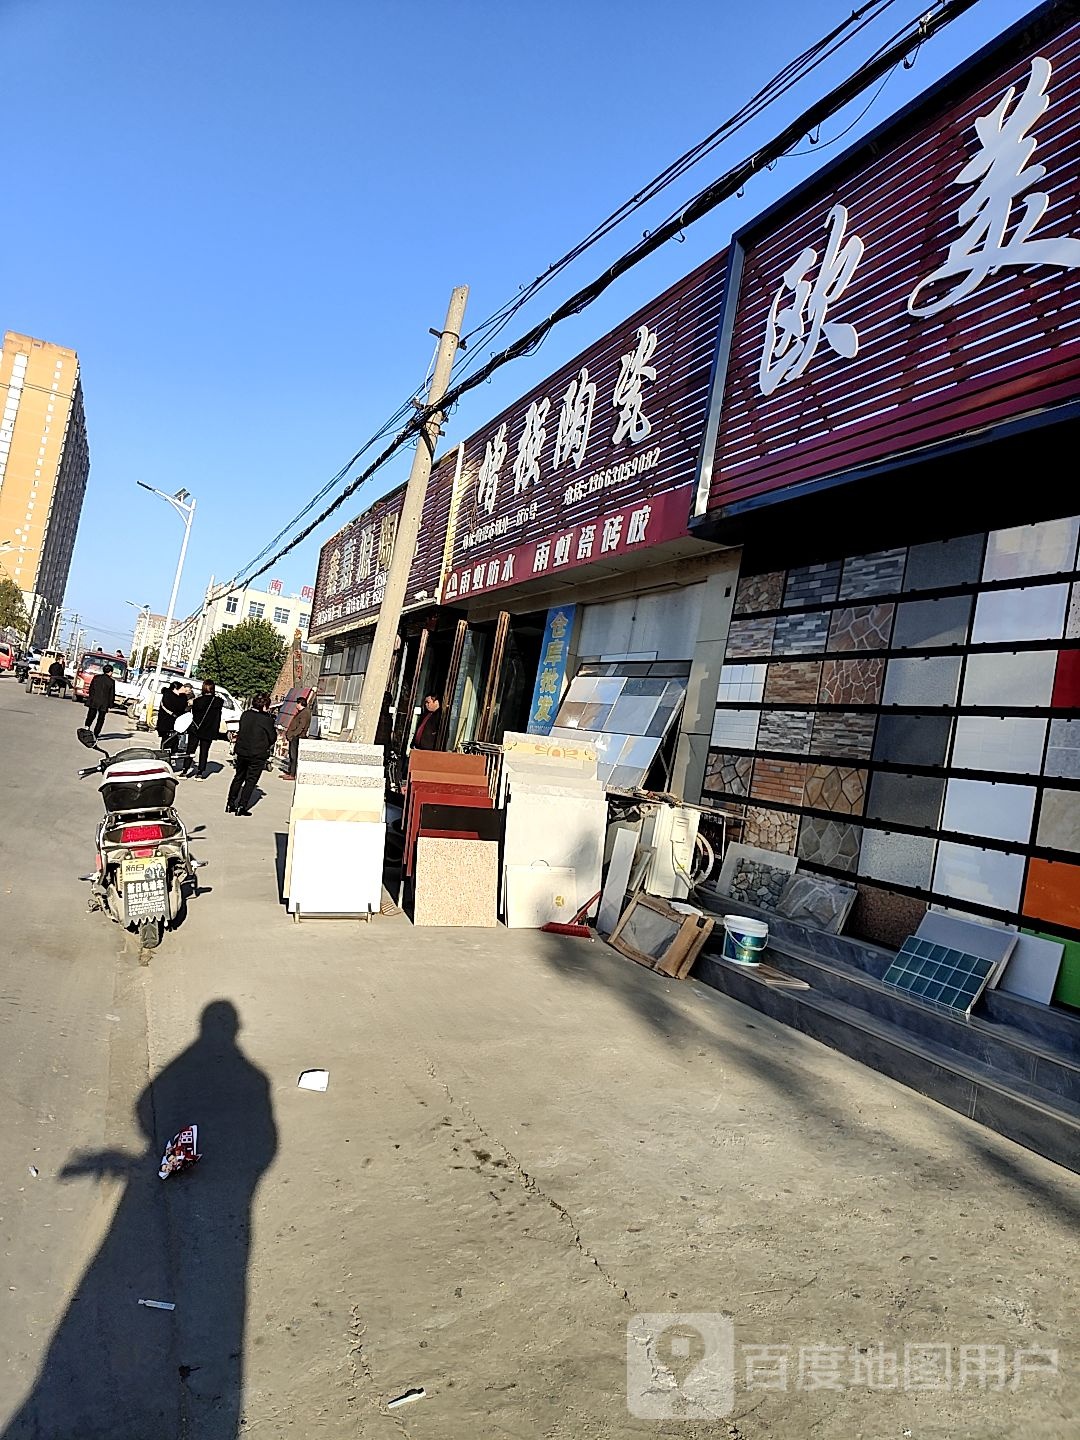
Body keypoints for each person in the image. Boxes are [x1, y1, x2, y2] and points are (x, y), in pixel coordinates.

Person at [226, 693, 277, 816]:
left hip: (242, 751)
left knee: (238, 777)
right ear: (264, 706)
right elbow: (272, 737)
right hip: (257, 753)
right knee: (250, 780)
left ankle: (230, 803)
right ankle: (242, 806)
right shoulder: (267, 720)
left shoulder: (246, 714)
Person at [187, 679, 224, 777]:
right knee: (204, 751)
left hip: (196, 728)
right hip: (209, 729)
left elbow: (194, 714)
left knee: (190, 749)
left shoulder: (198, 701)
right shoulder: (218, 701)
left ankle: (185, 769)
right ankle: (200, 772)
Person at [280, 694, 311, 780]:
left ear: (300, 704)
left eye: (297, 704)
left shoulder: (305, 713)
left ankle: (292, 774)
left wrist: (294, 735)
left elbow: (302, 726)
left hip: (297, 737)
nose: (296, 705)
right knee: (291, 755)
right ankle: (290, 772)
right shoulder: (302, 712)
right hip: (294, 736)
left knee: (294, 756)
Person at [84, 665, 116, 738]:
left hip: (94, 700)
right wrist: (111, 704)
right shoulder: (111, 681)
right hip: (104, 703)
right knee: (100, 719)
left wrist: (90, 697)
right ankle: (96, 733)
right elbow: (111, 694)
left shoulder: (96, 678)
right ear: (110, 672)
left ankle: (87, 727)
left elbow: (91, 688)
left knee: (91, 715)